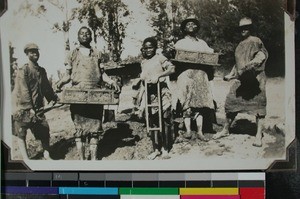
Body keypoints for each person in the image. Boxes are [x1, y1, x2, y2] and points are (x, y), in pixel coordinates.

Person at [56, 26, 120, 160]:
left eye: (87, 33)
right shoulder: (72, 54)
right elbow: (67, 76)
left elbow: (102, 75)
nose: (84, 35)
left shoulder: (97, 53)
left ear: (91, 36)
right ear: (78, 37)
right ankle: (82, 160)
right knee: (79, 129)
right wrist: (59, 83)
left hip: (96, 95)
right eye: (82, 33)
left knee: (95, 128)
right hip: (77, 95)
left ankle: (94, 159)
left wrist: (112, 82)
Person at [213, 17, 268, 147]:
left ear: (250, 29)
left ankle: (258, 134)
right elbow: (237, 64)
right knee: (231, 101)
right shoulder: (239, 45)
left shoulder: (255, 40)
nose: (244, 30)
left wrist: (254, 63)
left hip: (256, 79)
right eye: (241, 28)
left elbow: (261, 54)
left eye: (246, 27)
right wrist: (230, 75)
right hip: (242, 79)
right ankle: (226, 129)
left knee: (259, 105)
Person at [12, 43, 58, 160]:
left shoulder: (41, 71)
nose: (35, 54)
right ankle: (26, 158)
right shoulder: (24, 70)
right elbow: (23, 89)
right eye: (32, 52)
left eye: (36, 51)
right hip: (23, 107)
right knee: (21, 131)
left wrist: (53, 98)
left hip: (38, 107)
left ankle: (47, 154)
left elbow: (46, 87)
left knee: (44, 129)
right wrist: (29, 107)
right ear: (27, 54)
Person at [173, 17, 216, 141]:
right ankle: (188, 131)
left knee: (200, 103)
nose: (191, 26)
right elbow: (176, 55)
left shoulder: (202, 43)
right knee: (186, 102)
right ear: (184, 28)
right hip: (185, 74)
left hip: (200, 74)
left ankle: (200, 131)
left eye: (193, 24)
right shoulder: (180, 43)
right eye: (188, 24)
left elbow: (210, 54)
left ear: (197, 27)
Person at [140, 37, 175, 159]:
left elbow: (172, 68)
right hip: (150, 96)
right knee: (153, 121)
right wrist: (139, 102)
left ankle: (165, 148)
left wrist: (159, 75)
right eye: (146, 48)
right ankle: (156, 149)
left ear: (155, 48)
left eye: (151, 47)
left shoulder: (160, 58)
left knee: (165, 120)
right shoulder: (143, 62)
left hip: (162, 93)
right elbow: (142, 82)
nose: (148, 50)